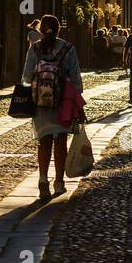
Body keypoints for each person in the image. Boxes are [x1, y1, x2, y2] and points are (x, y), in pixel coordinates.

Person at [23, 14, 83, 199]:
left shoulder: (34, 50)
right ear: (58, 30)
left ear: (40, 30)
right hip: (62, 103)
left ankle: (42, 179)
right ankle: (58, 183)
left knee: (44, 141)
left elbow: (26, 77)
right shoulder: (68, 49)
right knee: (60, 142)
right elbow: (76, 80)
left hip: (40, 104)